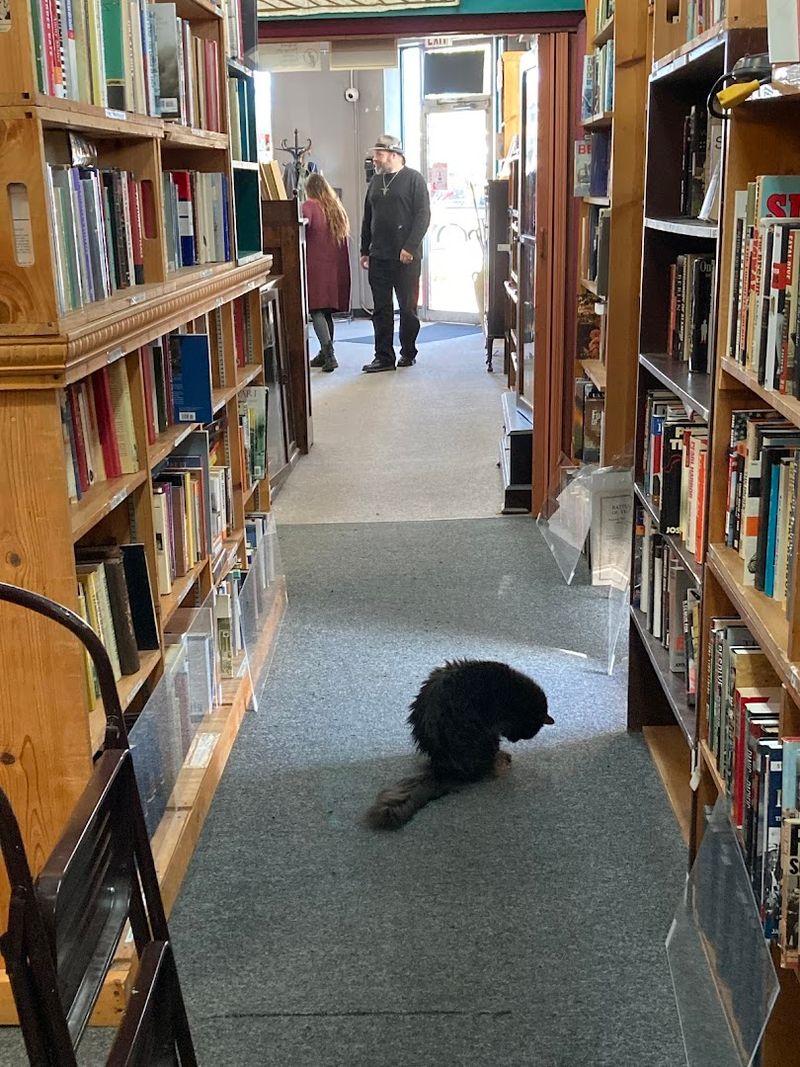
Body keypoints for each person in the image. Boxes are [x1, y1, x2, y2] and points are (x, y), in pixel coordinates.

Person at [360, 135, 431, 373]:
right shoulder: (375, 182)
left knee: (407, 308)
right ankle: (383, 357)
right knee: (381, 309)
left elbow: (423, 216)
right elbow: (367, 218)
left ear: (394, 155)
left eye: (379, 154)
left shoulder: (414, 179)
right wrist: (364, 249)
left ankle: (408, 352)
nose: (375, 159)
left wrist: (410, 247)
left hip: (406, 258)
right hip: (379, 255)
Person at [302, 173, 351, 373]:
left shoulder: (309, 206)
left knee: (316, 310)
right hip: (334, 267)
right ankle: (324, 354)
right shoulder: (336, 208)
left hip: (315, 266)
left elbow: (303, 229)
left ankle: (329, 355)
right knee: (327, 311)